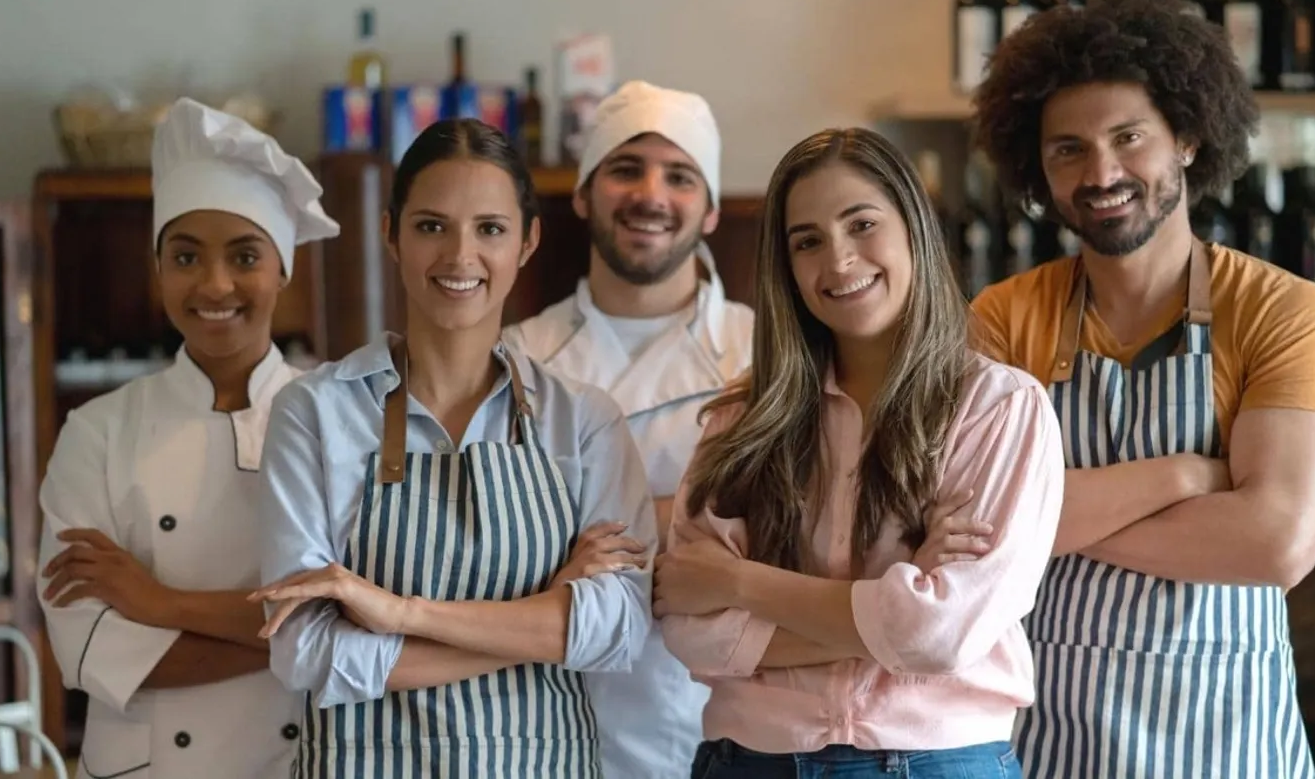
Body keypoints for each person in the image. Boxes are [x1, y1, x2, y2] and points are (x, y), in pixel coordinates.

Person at [967, 0, 1315, 778]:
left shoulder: (1285, 311)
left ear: (1186, 137)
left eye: (1128, 136)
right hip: (1045, 745)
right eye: (1067, 149)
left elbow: (1276, 543)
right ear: (1037, 168)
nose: (1101, 172)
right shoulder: (1002, 317)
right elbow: (964, 528)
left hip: (1232, 745)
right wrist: (1185, 476)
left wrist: (1038, 524)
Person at [654, 127, 1064, 779]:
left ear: (913, 229)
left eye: (861, 224)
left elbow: (939, 633)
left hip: (936, 760)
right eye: (807, 240)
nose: (839, 260)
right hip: (748, 760)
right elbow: (689, 628)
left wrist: (740, 583)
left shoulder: (998, 407)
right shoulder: (743, 417)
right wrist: (887, 609)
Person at [251, 118, 656, 778]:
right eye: (432, 225)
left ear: (527, 241)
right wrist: (548, 617)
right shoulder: (314, 413)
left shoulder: (582, 421)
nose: (460, 256)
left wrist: (397, 614)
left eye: (489, 228)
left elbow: (615, 629)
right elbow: (305, 649)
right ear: (391, 234)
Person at [36, 97, 341, 779]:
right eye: (185, 256)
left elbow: (366, 611)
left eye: (244, 255)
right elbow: (85, 646)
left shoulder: (336, 418)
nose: (215, 284)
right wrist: (302, 636)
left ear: (283, 268)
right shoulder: (97, 433)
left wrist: (158, 603)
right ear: (158, 267)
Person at [502, 79, 753, 778]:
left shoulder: (763, 356)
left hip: (716, 728)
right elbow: (489, 547)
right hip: (543, 726)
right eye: (624, 168)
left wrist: (600, 536)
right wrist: (691, 526)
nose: (650, 195)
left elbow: (787, 527)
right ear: (582, 194)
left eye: (680, 176)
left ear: (708, 211)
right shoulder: (515, 359)